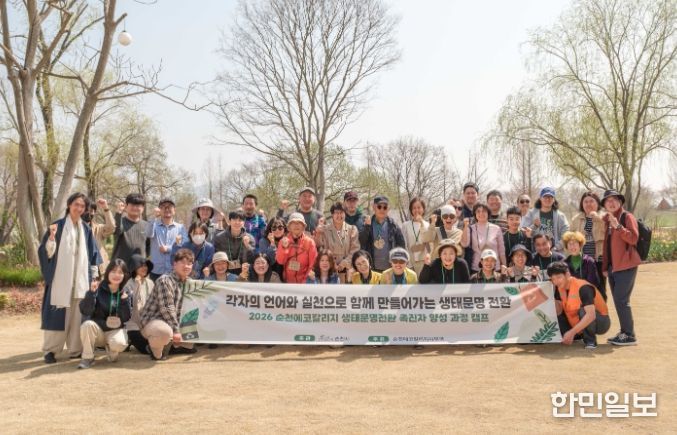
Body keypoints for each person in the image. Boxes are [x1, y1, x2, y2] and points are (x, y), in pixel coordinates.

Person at [39, 192, 102, 364]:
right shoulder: (57, 226)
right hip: (61, 281)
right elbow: (47, 253)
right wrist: (52, 238)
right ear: (69, 205)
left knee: (77, 317)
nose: (79, 208)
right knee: (57, 316)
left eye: (82, 206)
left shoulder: (86, 230)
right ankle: (51, 350)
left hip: (81, 281)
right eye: (76, 204)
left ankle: (76, 349)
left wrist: (94, 277)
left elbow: (93, 256)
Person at [139, 249, 198, 361]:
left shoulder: (189, 282)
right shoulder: (165, 280)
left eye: (189, 263)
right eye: (183, 262)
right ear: (174, 264)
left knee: (190, 342)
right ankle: (156, 352)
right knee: (164, 332)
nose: (186, 266)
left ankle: (171, 346)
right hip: (155, 320)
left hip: (172, 320)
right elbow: (167, 308)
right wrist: (176, 331)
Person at [601, 189, 641, 346]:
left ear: (620, 202)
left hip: (626, 265)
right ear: (605, 205)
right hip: (613, 268)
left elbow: (633, 238)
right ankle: (624, 332)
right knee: (619, 301)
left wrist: (618, 227)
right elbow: (607, 246)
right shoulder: (608, 220)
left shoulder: (627, 217)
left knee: (621, 300)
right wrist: (605, 266)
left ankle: (629, 335)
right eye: (608, 200)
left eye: (614, 200)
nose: (611, 203)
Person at [78, 259, 132, 369]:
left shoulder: (126, 291)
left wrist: (124, 301)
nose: (116, 275)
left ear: (124, 275)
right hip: (99, 330)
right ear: (108, 272)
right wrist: (91, 294)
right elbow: (85, 310)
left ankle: (110, 348)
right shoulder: (98, 288)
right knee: (87, 325)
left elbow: (126, 317)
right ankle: (88, 357)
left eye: (120, 272)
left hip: (115, 330)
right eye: (113, 271)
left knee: (119, 345)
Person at [548, 262, 610, 349]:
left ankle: (590, 341)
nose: (556, 281)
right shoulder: (559, 287)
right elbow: (558, 310)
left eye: (559, 277)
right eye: (553, 279)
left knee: (583, 311)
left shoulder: (583, 287)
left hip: (601, 322)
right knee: (556, 311)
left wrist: (572, 332)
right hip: (576, 321)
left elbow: (591, 315)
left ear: (567, 275)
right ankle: (577, 335)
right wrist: (550, 296)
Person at [571, 191, 607, 295]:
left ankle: (601, 306)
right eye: (585, 202)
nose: (588, 204)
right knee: (583, 287)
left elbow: (609, 233)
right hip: (583, 259)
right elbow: (570, 238)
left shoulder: (604, 216)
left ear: (597, 203)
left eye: (591, 201)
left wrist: (597, 218)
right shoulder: (576, 219)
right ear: (582, 204)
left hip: (599, 259)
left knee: (600, 289)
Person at [315, 202, 360, 283]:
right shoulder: (325, 230)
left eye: (341, 212)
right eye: (336, 213)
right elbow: (322, 248)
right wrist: (332, 262)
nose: (339, 215)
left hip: (347, 269)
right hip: (330, 269)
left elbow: (355, 249)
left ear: (345, 214)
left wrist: (345, 262)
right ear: (332, 214)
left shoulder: (352, 229)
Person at [359, 195, 405, 273]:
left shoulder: (393, 225)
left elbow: (401, 245)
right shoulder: (367, 223)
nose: (382, 209)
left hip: (390, 268)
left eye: (385, 207)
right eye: (379, 207)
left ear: (388, 209)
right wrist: (367, 227)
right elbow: (361, 242)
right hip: (372, 268)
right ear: (374, 207)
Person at [148, 197, 188, 281]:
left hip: (174, 270)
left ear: (174, 210)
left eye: (169, 207)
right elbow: (148, 234)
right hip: (156, 270)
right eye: (163, 207)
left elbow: (185, 246)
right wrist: (154, 217)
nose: (167, 209)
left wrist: (169, 248)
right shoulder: (154, 225)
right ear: (159, 210)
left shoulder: (180, 228)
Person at [461, 203, 506, 273]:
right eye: (478, 211)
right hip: (476, 269)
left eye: (484, 211)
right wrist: (465, 226)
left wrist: (504, 265)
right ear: (475, 214)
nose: (481, 213)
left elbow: (501, 251)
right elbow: (464, 244)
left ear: (488, 213)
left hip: (495, 268)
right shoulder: (470, 228)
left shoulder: (496, 228)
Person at [522, 187, 569, 253]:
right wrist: (534, 226)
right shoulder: (531, 214)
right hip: (536, 253)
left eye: (550, 197)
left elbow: (566, 235)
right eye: (545, 197)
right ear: (540, 198)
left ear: (554, 200)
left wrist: (556, 248)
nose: (547, 199)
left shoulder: (560, 216)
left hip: (555, 253)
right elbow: (524, 232)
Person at [123, 254, 154, 355]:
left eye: (145, 265)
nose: (144, 268)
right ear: (134, 268)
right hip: (133, 322)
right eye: (141, 266)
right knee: (134, 333)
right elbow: (131, 308)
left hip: (148, 320)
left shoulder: (150, 283)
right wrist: (137, 286)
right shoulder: (128, 285)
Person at [276, 212, 318, 283]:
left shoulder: (310, 242)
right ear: (289, 227)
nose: (296, 225)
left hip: (305, 283)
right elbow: (280, 261)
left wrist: (304, 282)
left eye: (299, 223)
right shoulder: (283, 241)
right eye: (293, 223)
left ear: (303, 227)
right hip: (287, 283)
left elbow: (312, 265)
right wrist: (284, 248)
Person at [111, 193, 149, 267]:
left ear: (143, 208)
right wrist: (118, 213)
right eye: (132, 205)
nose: (135, 208)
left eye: (138, 205)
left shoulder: (147, 226)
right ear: (126, 206)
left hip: (139, 267)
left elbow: (148, 246)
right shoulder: (120, 221)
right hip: (120, 267)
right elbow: (116, 230)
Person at [213, 210, 255, 276]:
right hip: (225, 273)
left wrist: (248, 246)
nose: (237, 222)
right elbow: (216, 257)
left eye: (240, 220)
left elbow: (253, 258)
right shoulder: (219, 237)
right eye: (234, 219)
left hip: (244, 273)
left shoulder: (250, 238)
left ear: (244, 222)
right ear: (229, 221)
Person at [401, 197, 434, 275]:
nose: (416, 210)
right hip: (410, 262)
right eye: (414, 208)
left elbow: (430, 245)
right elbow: (404, 245)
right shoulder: (406, 225)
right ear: (411, 210)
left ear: (423, 209)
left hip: (424, 262)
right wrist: (408, 264)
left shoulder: (428, 225)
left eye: (419, 207)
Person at [87, 198, 116, 275]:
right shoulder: (73, 229)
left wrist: (106, 208)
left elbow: (111, 227)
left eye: (91, 211)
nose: (89, 213)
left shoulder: (98, 228)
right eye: (87, 210)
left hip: (98, 269)